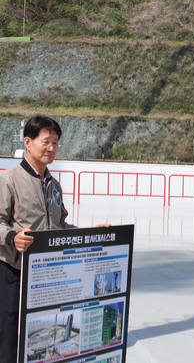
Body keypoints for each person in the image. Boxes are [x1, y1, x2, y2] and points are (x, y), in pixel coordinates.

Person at [0, 115, 110, 362]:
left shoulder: (54, 186)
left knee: (42, 336)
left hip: (47, 278)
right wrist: (11, 237)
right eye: (45, 141)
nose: (51, 148)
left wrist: (92, 233)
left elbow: (60, 226)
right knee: (9, 335)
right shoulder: (10, 180)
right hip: (14, 273)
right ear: (28, 142)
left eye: (56, 143)